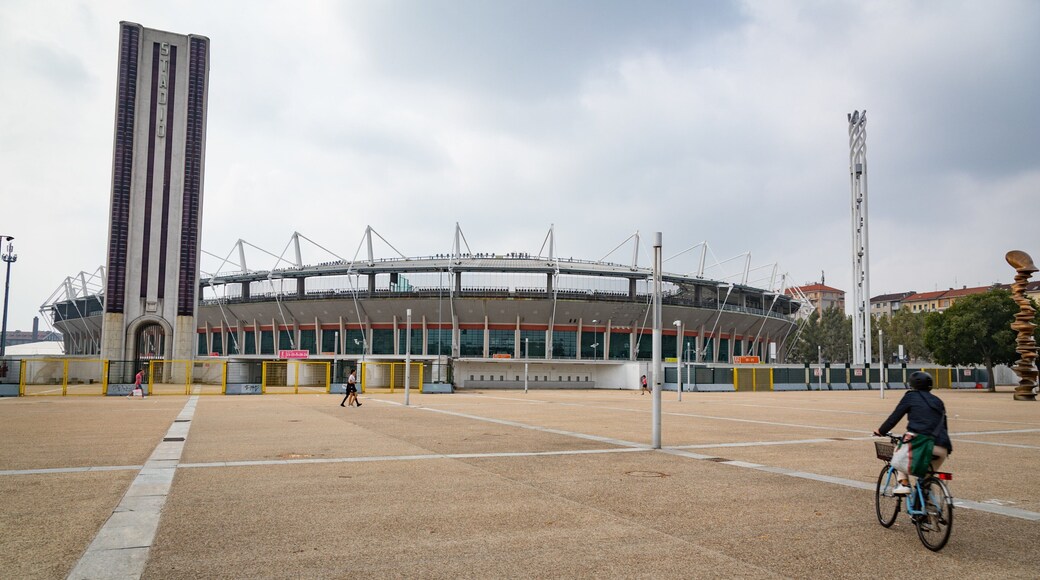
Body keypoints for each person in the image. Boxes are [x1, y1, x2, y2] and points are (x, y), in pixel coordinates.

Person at [873, 371, 952, 495]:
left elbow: (895, 417)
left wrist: (881, 431)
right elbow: (944, 425)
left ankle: (903, 484)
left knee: (898, 456)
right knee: (925, 480)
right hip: (942, 447)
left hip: (921, 443)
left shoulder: (910, 396)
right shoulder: (938, 401)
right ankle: (930, 509)